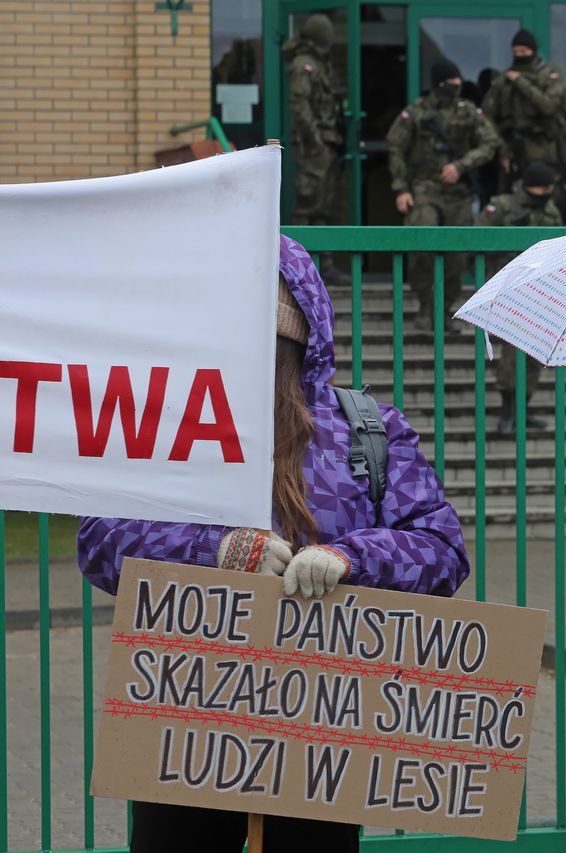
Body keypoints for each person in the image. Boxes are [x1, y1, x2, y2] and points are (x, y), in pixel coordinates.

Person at [78, 236, 471, 853]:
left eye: (269, 345)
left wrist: (349, 558)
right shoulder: (169, 422)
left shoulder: (367, 429)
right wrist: (220, 551)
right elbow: (102, 538)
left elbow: (441, 547)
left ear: (302, 338)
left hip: (323, 720)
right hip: (190, 719)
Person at [387, 59, 499, 330]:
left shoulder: (468, 111)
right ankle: (426, 305)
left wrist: (460, 166)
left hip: (458, 193)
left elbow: (490, 142)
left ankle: (444, 309)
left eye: (459, 81)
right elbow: (395, 147)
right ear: (439, 83)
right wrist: (401, 189)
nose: (457, 86)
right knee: (421, 245)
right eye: (451, 82)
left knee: (457, 255)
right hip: (424, 189)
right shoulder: (417, 112)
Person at [476, 162, 561, 433]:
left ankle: (523, 408)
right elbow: (477, 236)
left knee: (535, 353)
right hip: (507, 287)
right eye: (542, 188)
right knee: (511, 354)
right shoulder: (503, 205)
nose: (546, 193)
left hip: (538, 291)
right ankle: (507, 410)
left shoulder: (550, 211)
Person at [284, 13, 350, 286]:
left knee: (323, 206)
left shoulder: (321, 64)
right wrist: (313, 142)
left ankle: (325, 264)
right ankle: (299, 266)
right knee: (308, 203)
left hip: (326, 142)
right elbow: (300, 106)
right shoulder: (304, 65)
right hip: (315, 145)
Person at [481, 30, 566, 203]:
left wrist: (520, 82)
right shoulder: (503, 81)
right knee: (513, 202)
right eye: (516, 52)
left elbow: (549, 106)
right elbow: (488, 118)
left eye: (524, 52)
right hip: (515, 151)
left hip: (545, 150)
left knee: (548, 199)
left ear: (533, 51)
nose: (520, 56)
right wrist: (503, 151)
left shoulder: (549, 74)